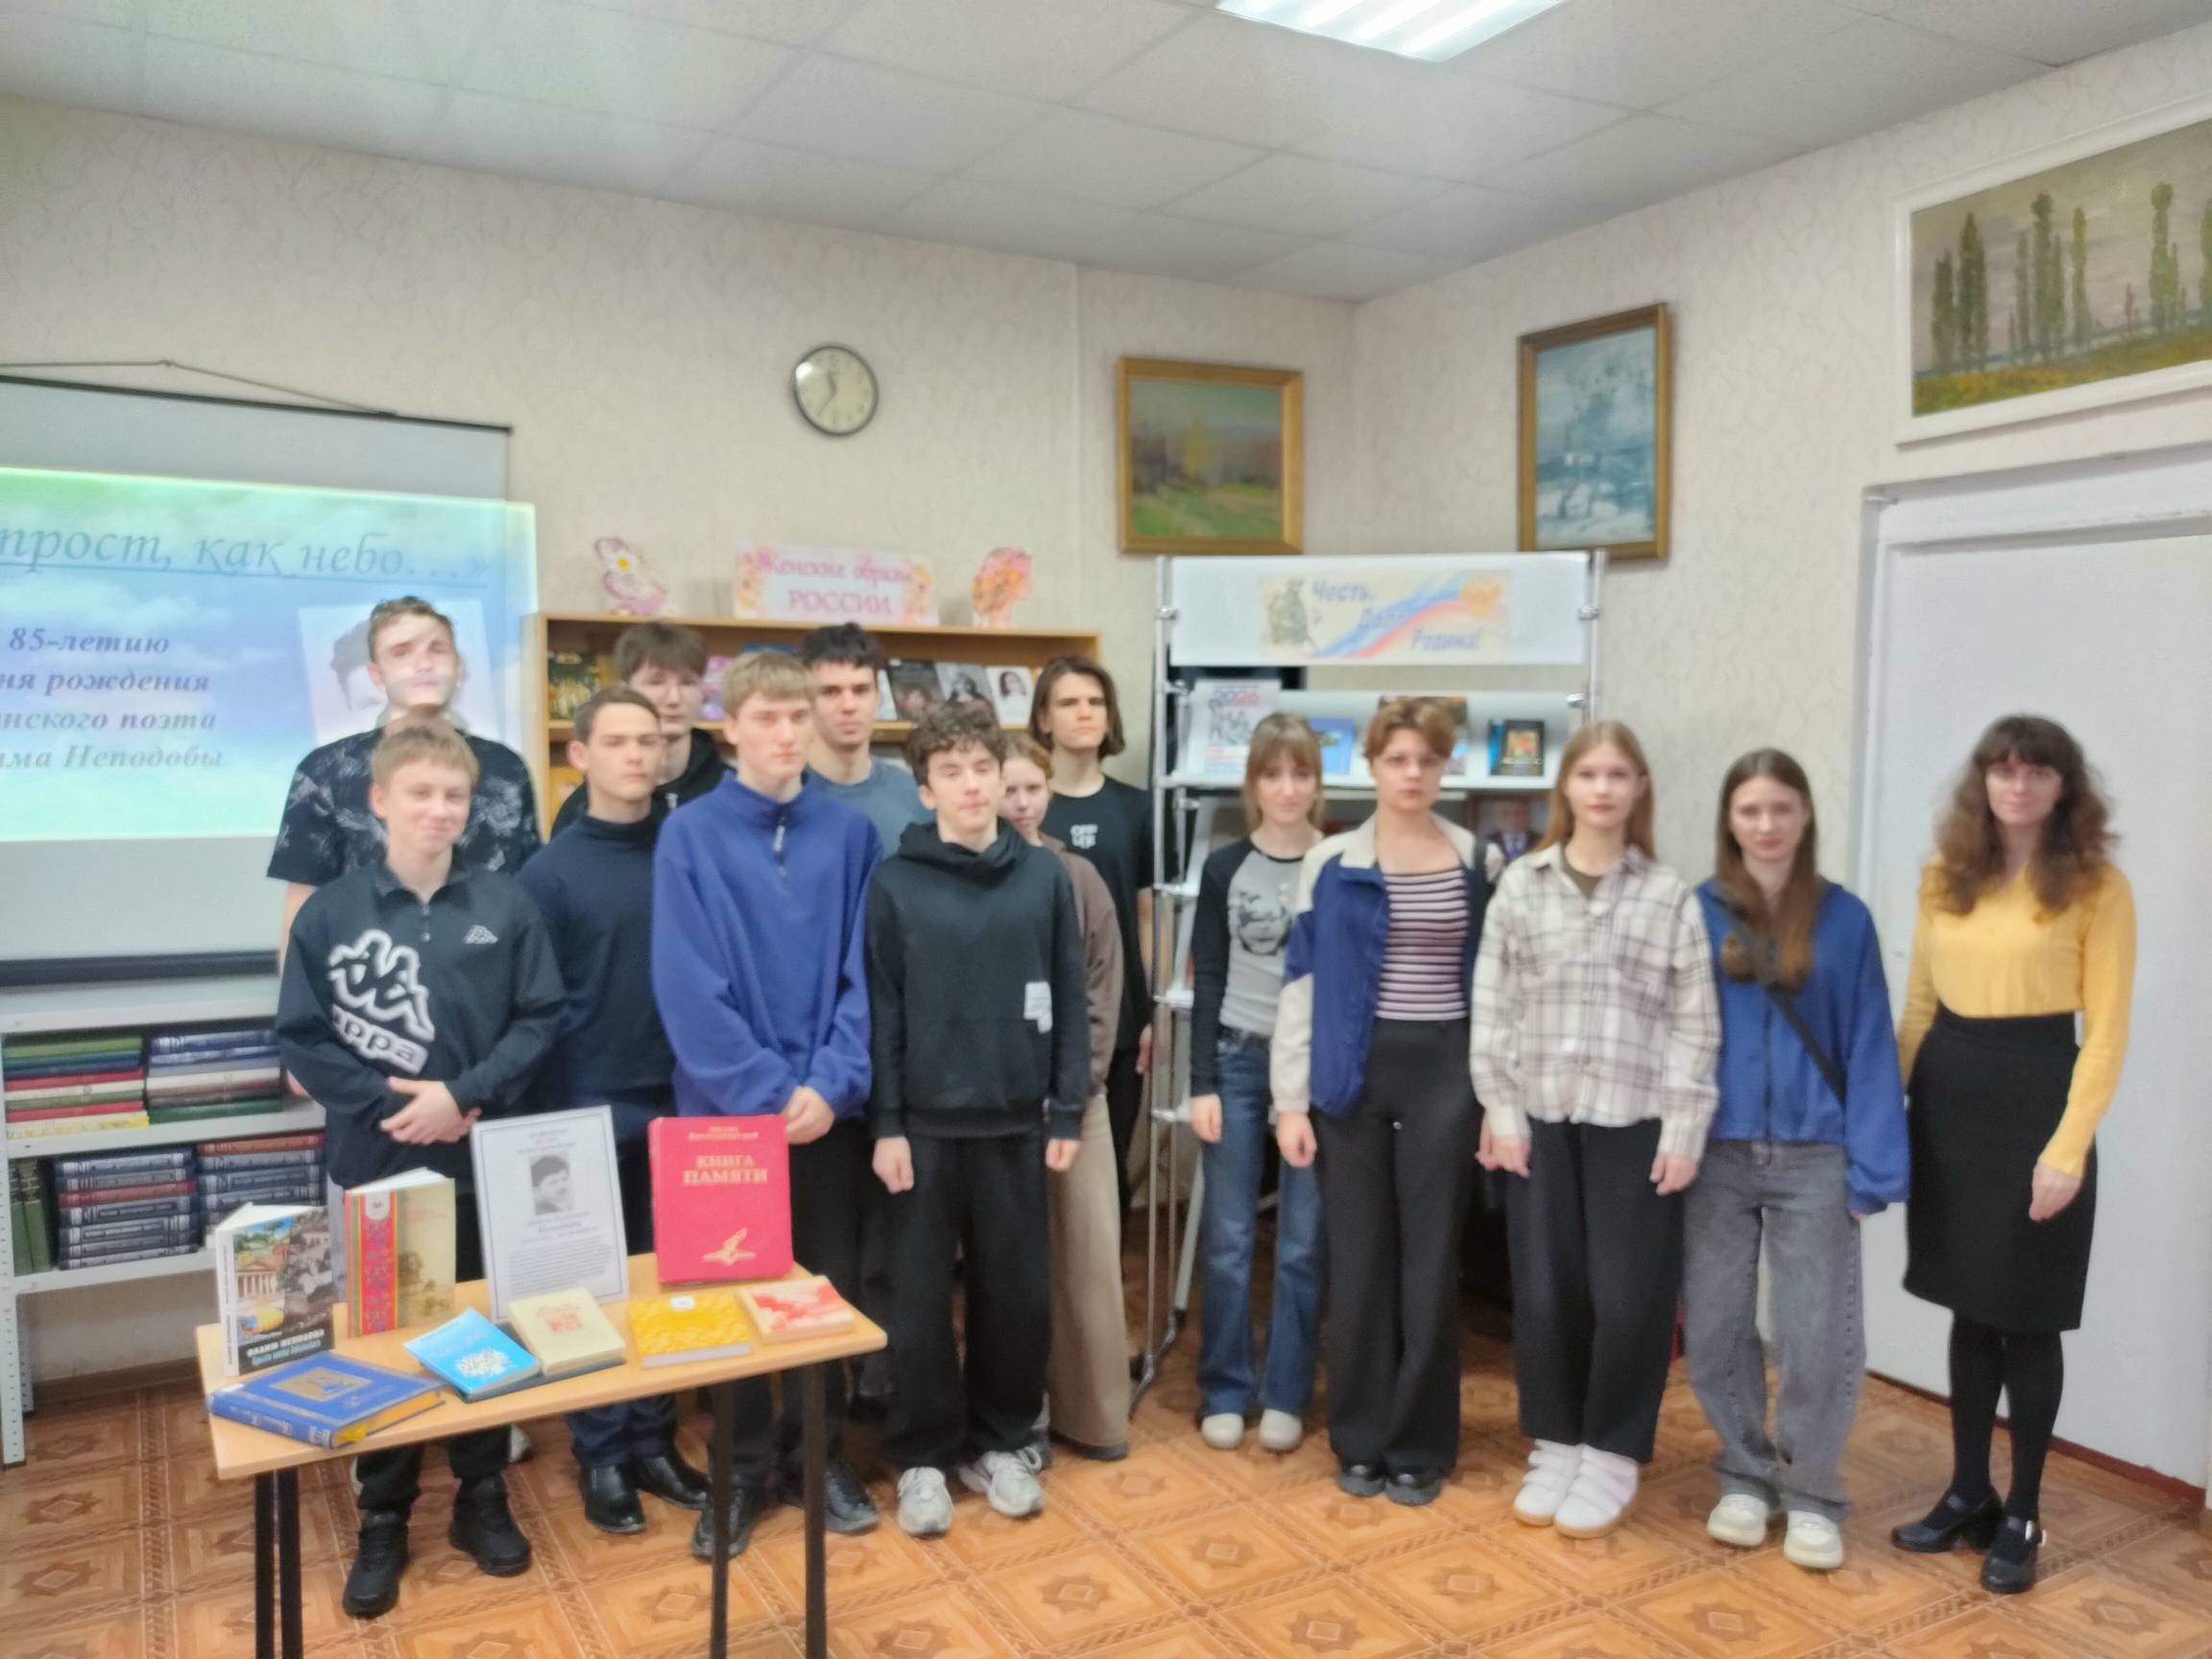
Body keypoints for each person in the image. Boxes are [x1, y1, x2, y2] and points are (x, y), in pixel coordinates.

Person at [273, 720, 564, 1621]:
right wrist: (391, 1104)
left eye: (455, 796)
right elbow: (301, 1037)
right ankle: (385, 1515)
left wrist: (461, 1095)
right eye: (421, 793)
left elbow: (540, 1019)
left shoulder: (506, 906)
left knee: (479, 1329)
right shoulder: (331, 913)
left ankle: (482, 1495)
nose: (439, 810)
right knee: (385, 1339)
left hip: (478, 1156)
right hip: (377, 1161)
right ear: (380, 801)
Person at [1888, 715, 2134, 1595]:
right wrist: (1884, 1115)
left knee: (2027, 1315)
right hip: (1949, 1099)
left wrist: (2068, 1148)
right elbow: (1918, 1010)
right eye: (2003, 770)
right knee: (1970, 1307)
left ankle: (2023, 1511)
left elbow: (2106, 1033)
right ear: (1983, 781)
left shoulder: (2099, 886)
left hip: (2039, 1099)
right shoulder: (1943, 874)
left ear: (2064, 787)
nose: (2018, 786)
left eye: (2037, 772)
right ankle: (1968, 1491)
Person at [651, 651, 882, 1556]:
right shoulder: (689, 836)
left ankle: (817, 1455)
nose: (786, 734)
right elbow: (688, 986)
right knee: (734, 1297)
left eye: (798, 717)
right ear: (731, 728)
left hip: (827, 1112)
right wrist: (766, 1092)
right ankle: (740, 1469)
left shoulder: (851, 836)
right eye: (767, 718)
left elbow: (866, 977)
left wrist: (832, 1083)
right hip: (726, 1118)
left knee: (824, 1293)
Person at [1474, 720, 1719, 1539]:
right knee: (1546, 1290)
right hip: (1539, 1116)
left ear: (1639, 787)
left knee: (1628, 1295)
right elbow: (1494, 1005)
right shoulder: (1522, 885)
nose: (1603, 789)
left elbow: (1694, 1021)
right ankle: (1556, 1440)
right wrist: (1500, 1109)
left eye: (1619, 774)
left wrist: (1684, 1128)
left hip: (1635, 1119)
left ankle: (1611, 1448)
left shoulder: (1668, 895)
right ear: (1567, 788)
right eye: (1589, 774)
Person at [866, 705, 1088, 1537]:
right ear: (925, 791)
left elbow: (1071, 994)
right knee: (918, 1301)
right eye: (951, 772)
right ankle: (922, 1455)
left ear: (1002, 776)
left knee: (1015, 1294)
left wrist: (1067, 1108)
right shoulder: (895, 883)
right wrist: (887, 1123)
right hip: (922, 1130)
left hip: (1016, 1123)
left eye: (982, 768)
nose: (971, 785)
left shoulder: (1043, 878)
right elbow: (883, 1013)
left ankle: (999, 1439)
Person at [1685, 751, 1909, 1574]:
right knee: (1715, 1326)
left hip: (1818, 1154)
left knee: (1815, 1333)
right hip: (1715, 1150)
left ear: (1805, 816)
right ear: (1729, 821)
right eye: (1750, 810)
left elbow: (1870, 1041)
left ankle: (1812, 1491)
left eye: (1781, 808)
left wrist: (1873, 1170)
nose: (1767, 824)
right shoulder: (1696, 912)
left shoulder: (1845, 919)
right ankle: (1746, 1474)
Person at [1273, 698, 1488, 1506]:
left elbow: (1496, 986)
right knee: (1359, 1262)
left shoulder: (1474, 859)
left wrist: (1497, 1098)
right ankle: (1359, 1437)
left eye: (1427, 760)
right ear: (1370, 766)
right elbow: (1301, 984)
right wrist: (1290, 1102)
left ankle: (1420, 1443)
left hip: (1444, 1077)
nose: (1412, 774)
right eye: (1397, 759)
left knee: (1429, 1265)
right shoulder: (1330, 861)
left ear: (1445, 767)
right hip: (1349, 1078)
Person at [517, 687, 710, 1537]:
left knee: (664, 1280)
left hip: (679, 1101)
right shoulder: (549, 873)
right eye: (619, 741)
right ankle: (600, 1452)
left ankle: (653, 1441)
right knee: (588, 1287)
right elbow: (532, 1006)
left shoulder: (686, 852)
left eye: (650, 741)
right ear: (580, 756)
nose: (638, 755)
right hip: (580, 1107)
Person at [1190, 713, 1327, 1456]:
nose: (1287, 788)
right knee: (1229, 1236)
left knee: (1302, 1240)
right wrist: (1202, 1082)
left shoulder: (1336, 864)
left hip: (1310, 1071)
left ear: (1317, 782)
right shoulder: (1224, 869)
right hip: (1237, 1062)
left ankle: (1285, 1391)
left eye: (1300, 773)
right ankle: (1225, 1387)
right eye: (1272, 774)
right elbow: (1208, 976)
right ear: (1253, 784)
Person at [272, 595, 540, 954]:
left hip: (488, 975)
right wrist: (294, 989)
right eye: (402, 652)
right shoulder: (324, 772)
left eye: (437, 650)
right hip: (369, 974)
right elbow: (301, 911)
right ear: (376, 674)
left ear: (458, 666)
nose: (423, 663)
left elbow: (528, 894)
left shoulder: (506, 770)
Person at [999, 735, 1130, 1461]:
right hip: (997, 1103)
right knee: (1010, 1269)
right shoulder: (972, 872)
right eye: (1008, 788)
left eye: (1032, 788)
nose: (1021, 803)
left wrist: (1075, 1088)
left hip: (1076, 1100)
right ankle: (1020, 1415)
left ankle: (1095, 1416)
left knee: (1086, 1258)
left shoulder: (1078, 876)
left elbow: (1103, 991)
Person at [1031, 654, 1153, 1228]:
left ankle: (1104, 1277)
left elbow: (1147, 917)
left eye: (1096, 702)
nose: (1085, 713)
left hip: (1118, 1018)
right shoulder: (1026, 803)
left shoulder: (1138, 808)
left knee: (1106, 1169)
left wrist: (1152, 1012)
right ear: (1043, 718)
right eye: (1069, 702)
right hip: (1036, 1017)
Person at [547, 622, 726, 834]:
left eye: (687, 683)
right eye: (656, 682)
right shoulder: (583, 808)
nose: (674, 698)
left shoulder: (732, 794)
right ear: (626, 690)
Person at [800, 623, 929, 855]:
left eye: (861, 690)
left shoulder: (915, 795)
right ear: (806, 701)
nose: (849, 706)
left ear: (878, 697)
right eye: (830, 692)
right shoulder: (783, 796)